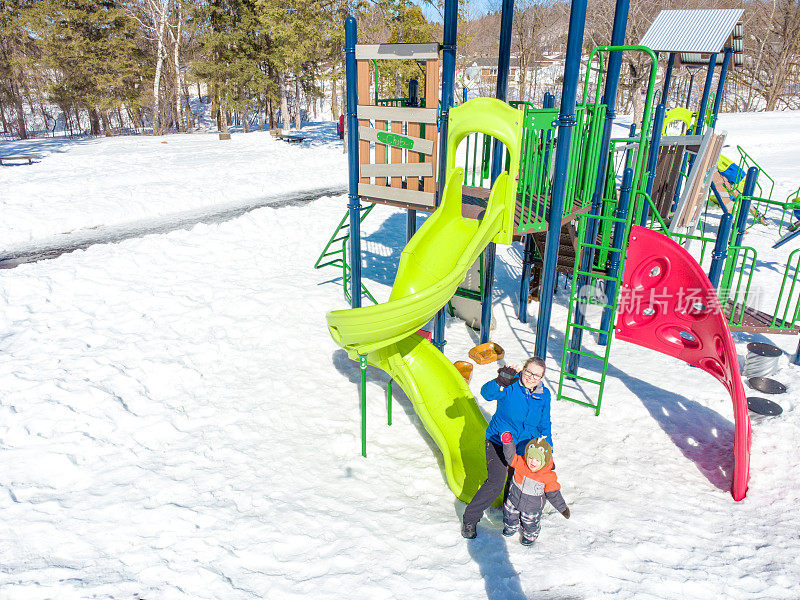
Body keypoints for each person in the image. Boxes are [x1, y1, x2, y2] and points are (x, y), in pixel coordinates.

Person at [461, 356, 552, 539]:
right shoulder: (510, 384)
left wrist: (548, 451)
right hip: (498, 441)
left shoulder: (544, 395)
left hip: (524, 447)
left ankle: (510, 516)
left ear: (541, 378)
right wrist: (499, 381)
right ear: (523, 370)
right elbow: (486, 393)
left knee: (516, 483)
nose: (531, 377)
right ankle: (469, 520)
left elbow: (544, 423)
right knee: (496, 482)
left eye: (537, 375)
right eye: (529, 372)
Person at [500, 433, 569, 545]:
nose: (532, 462)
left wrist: (563, 508)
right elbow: (510, 457)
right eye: (530, 458)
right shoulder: (521, 462)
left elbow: (554, 494)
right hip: (514, 498)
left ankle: (530, 536)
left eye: (537, 460)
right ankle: (511, 527)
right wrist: (508, 443)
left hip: (532, 507)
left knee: (530, 523)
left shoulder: (547, 476)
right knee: (509, 514)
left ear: (544, 461)